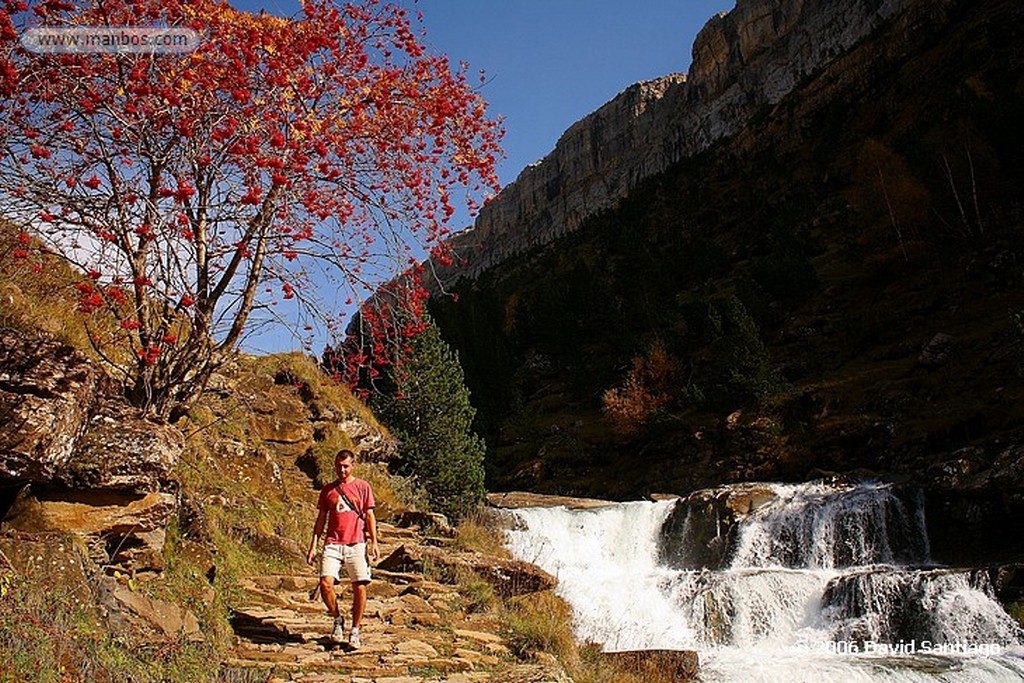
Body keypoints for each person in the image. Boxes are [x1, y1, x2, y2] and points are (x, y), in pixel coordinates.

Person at [306, 449, 380, 649]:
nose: (342, 470)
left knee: (360, 587)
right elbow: (321, 520)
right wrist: (313, 545)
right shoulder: (328, 490)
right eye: (339, 466)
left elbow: (370, 516)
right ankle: (337, 619)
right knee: (325, 584)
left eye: (346, 466)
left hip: (356, 542)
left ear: (353, 465)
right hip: (333, 543)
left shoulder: (363, 487)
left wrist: (374, 542)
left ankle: (355, 630)